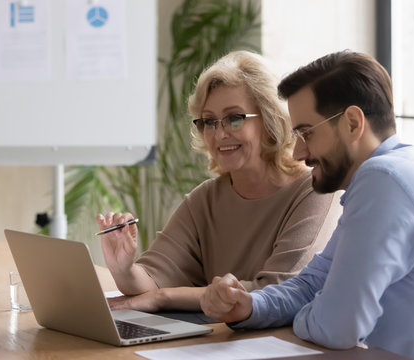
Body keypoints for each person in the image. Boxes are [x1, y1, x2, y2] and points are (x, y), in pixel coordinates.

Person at [200, 50, 414, 359]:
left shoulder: (385, 182)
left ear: (352, 123)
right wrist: (250, 306)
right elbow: (314, 282)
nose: (298, 153)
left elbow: (336, 328)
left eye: (306, 134)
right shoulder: (395, 174)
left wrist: (313, 310)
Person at [96, 50, 341, 313]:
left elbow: (278, 291)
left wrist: (165, 297)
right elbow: (151, 282)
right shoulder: (204, 200)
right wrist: (124, 269)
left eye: (234, 118)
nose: (219, 133)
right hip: (221, 342)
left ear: (270, 120)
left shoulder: (315, 191)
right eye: (209, 121)